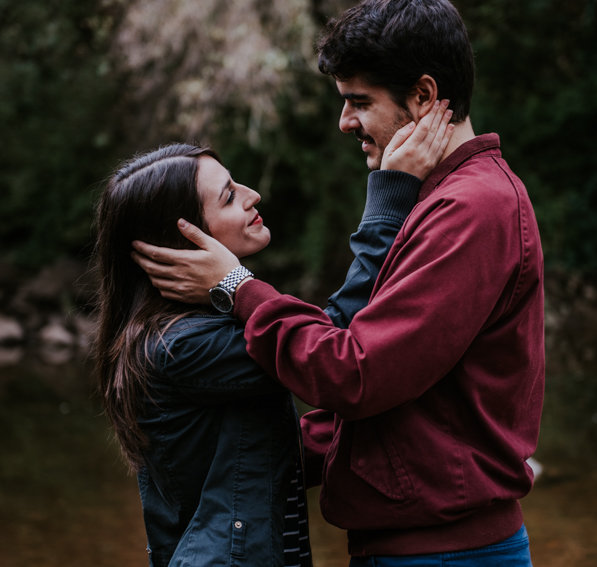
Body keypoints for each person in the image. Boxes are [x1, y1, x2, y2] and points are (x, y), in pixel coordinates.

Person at [131, 0, 545, 565]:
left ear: (424, 97)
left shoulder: (471, 208)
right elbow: (393, 395)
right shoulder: (433, 198)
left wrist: (237, 287)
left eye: (359, 102)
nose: (345, 122)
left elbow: (356, 372)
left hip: (446, 554)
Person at [96, 104, 453, 567]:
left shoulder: (191, 331)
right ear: (184, 243)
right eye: (227, 197)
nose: (253, 195)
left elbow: (254, 451)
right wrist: (390, 195)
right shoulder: (177, 346)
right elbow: (330, 337)